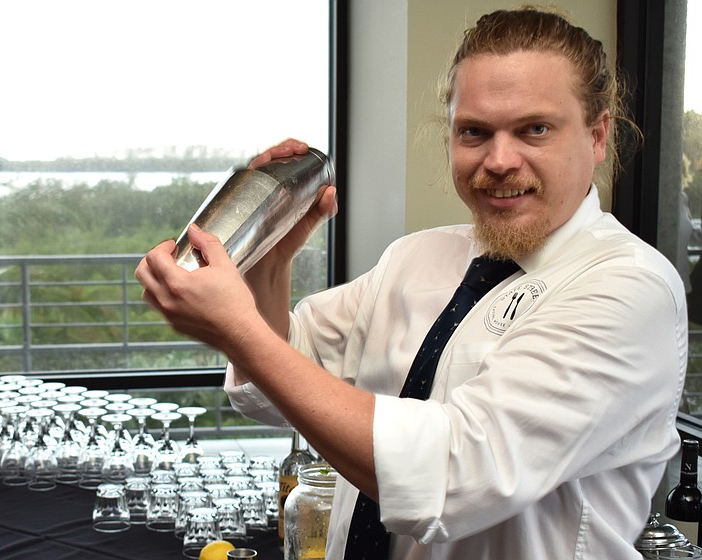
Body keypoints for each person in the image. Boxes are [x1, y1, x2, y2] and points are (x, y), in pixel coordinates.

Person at [136, 7, 688, 559]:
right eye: (474, 131)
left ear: (597, 136)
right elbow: (277, 383)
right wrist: (268, 262)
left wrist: (236, 329)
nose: (498, 160)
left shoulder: (629, 288)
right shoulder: (416, 257)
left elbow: (450, 478)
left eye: (534, 129)